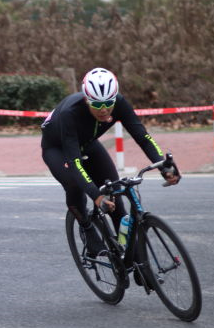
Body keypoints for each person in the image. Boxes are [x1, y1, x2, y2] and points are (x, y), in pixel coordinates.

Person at [40, 67, 179, 256]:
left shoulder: (120, 103)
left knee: (115, 195)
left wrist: (163, 165)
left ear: (115, 97)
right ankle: (87, 229)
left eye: (108, 103)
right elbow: (74, 162)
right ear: (86, 99)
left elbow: (142, 136)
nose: (104, 110)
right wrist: (96, 196)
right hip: (58, 148)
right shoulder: (70, 113)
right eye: (97, 105)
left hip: (87, 143)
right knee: (75, 185)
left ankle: (129, 256)